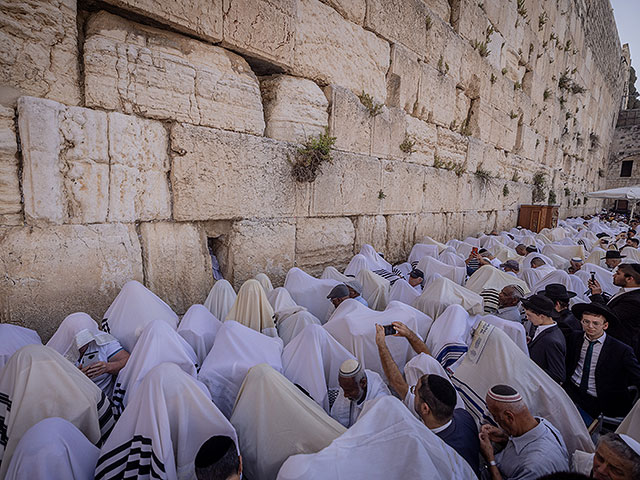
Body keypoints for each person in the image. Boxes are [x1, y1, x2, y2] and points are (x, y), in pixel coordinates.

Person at [373, 324, 479, 473]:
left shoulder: (428, 449)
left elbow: (397, 384)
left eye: (414, 391)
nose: (411, 392)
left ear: (425, 408)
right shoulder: (463, 416)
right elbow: (430, 362)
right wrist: (410, 335)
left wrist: (381, 345)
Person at [564, 303, 640, 421]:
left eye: (595, 323)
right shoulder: (574, 338)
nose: (590, 326)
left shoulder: (621, 350)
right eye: (586, 322)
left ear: (605, 326)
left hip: (599, 398)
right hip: (573, 390)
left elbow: (637, 376)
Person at [478, 384, 569, 480]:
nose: (495, 420)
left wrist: (490, 459)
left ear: (509, 417)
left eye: (495, 416)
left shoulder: (535, 466)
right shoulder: (542, 424)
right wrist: (504, 438)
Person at [589, 263, 640, 357]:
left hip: (620, 347)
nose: (614, 275)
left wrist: (596, 296)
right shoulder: (627, 292)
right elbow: (612, 305)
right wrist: (599, 294)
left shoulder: (634, 300)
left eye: (618, 273)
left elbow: (609, 315)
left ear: (629, 279)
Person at [330, 359, 390, 428]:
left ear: (363, 383)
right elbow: (338, 417)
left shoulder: (380, 400)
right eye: (343, 390)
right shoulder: (348, 386)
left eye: (349, 391)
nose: (345, 395)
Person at [521, 294, 566, 384]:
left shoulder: (551, 341)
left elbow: (557, 375)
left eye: (529, 315)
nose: (527, 318)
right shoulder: (540, 327)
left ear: (542, 316)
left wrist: (530, 369)